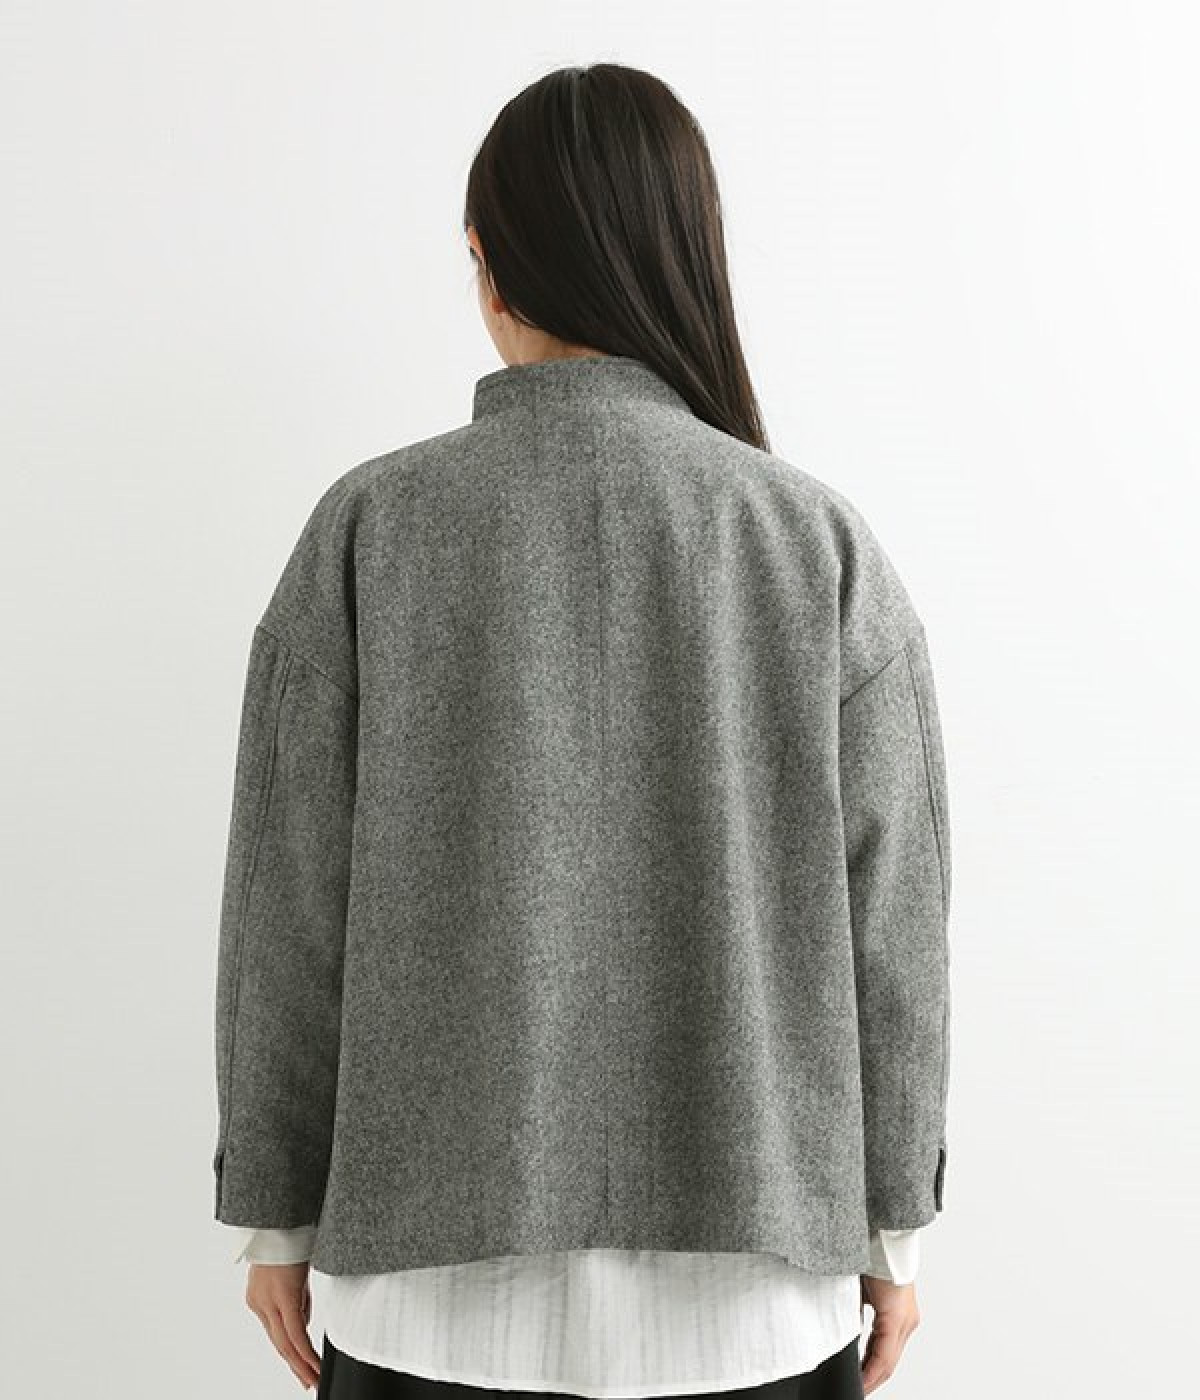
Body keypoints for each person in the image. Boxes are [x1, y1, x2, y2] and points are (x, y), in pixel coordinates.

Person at [212, 63, 953, 1400]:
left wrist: (277, 1213)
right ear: (686, 259)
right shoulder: (815, 543)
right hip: (757, 1297)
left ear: (489, 265)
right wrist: (892, 1229)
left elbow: (290, 911)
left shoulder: (371, 529)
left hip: (428, 1297)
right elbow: (892, 926)